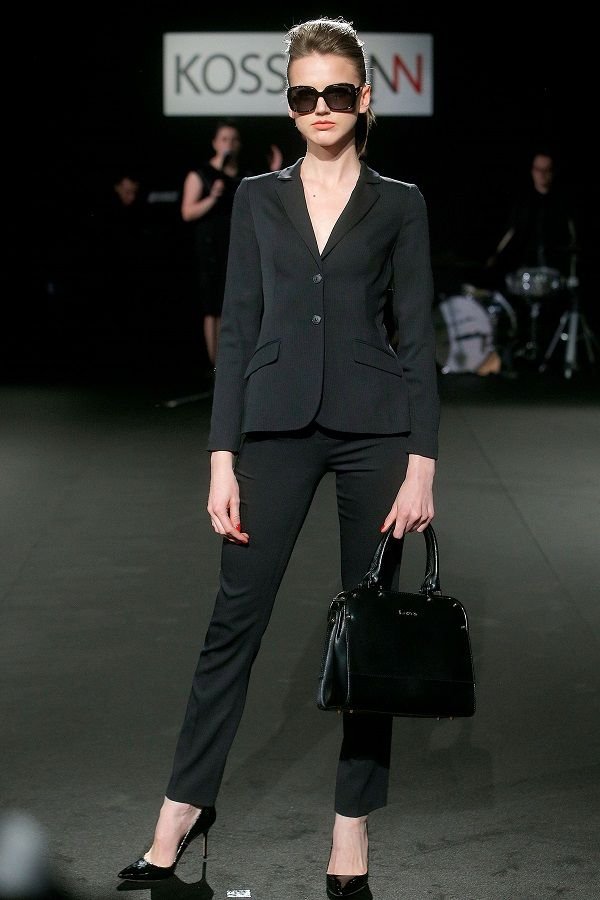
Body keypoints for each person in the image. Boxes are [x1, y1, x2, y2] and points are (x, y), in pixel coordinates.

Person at [117, 15, 439, 899]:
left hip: (376, 430)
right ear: (289, 103)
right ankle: (180, 815)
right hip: (272, 426)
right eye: (305, 94)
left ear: (364, 97)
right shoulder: (258, 199)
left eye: (336, 91)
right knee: (234, 622)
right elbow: (240, 328)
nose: (321, 106)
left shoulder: (401, 202)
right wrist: (220, 455)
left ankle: (351, 833)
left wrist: (423, 461)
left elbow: (418, 337)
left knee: (369, 636)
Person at [181, 120, 283, 370]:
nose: (229, 144)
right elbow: (187, 212)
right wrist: (212, 197)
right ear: (215, 143)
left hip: (239, 243)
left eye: (234, 139)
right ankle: (215, 366)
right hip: (211, 246)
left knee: (241, 302)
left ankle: (238, 362)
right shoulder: (201, 175)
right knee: (213, 307)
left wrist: (274, 171)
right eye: (224, 139)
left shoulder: (246, 175)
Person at [485, 149, 579, 359]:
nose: (542, 174)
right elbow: (509, 235)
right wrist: (495, 259)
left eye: (547, 170)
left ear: (553, 173)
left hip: (553, 272)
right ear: (532, 172)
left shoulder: (562, 204)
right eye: (538, 169)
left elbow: (571, 239)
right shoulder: (523, 203)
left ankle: (549, 352)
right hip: (523, 270)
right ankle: (518, 347)